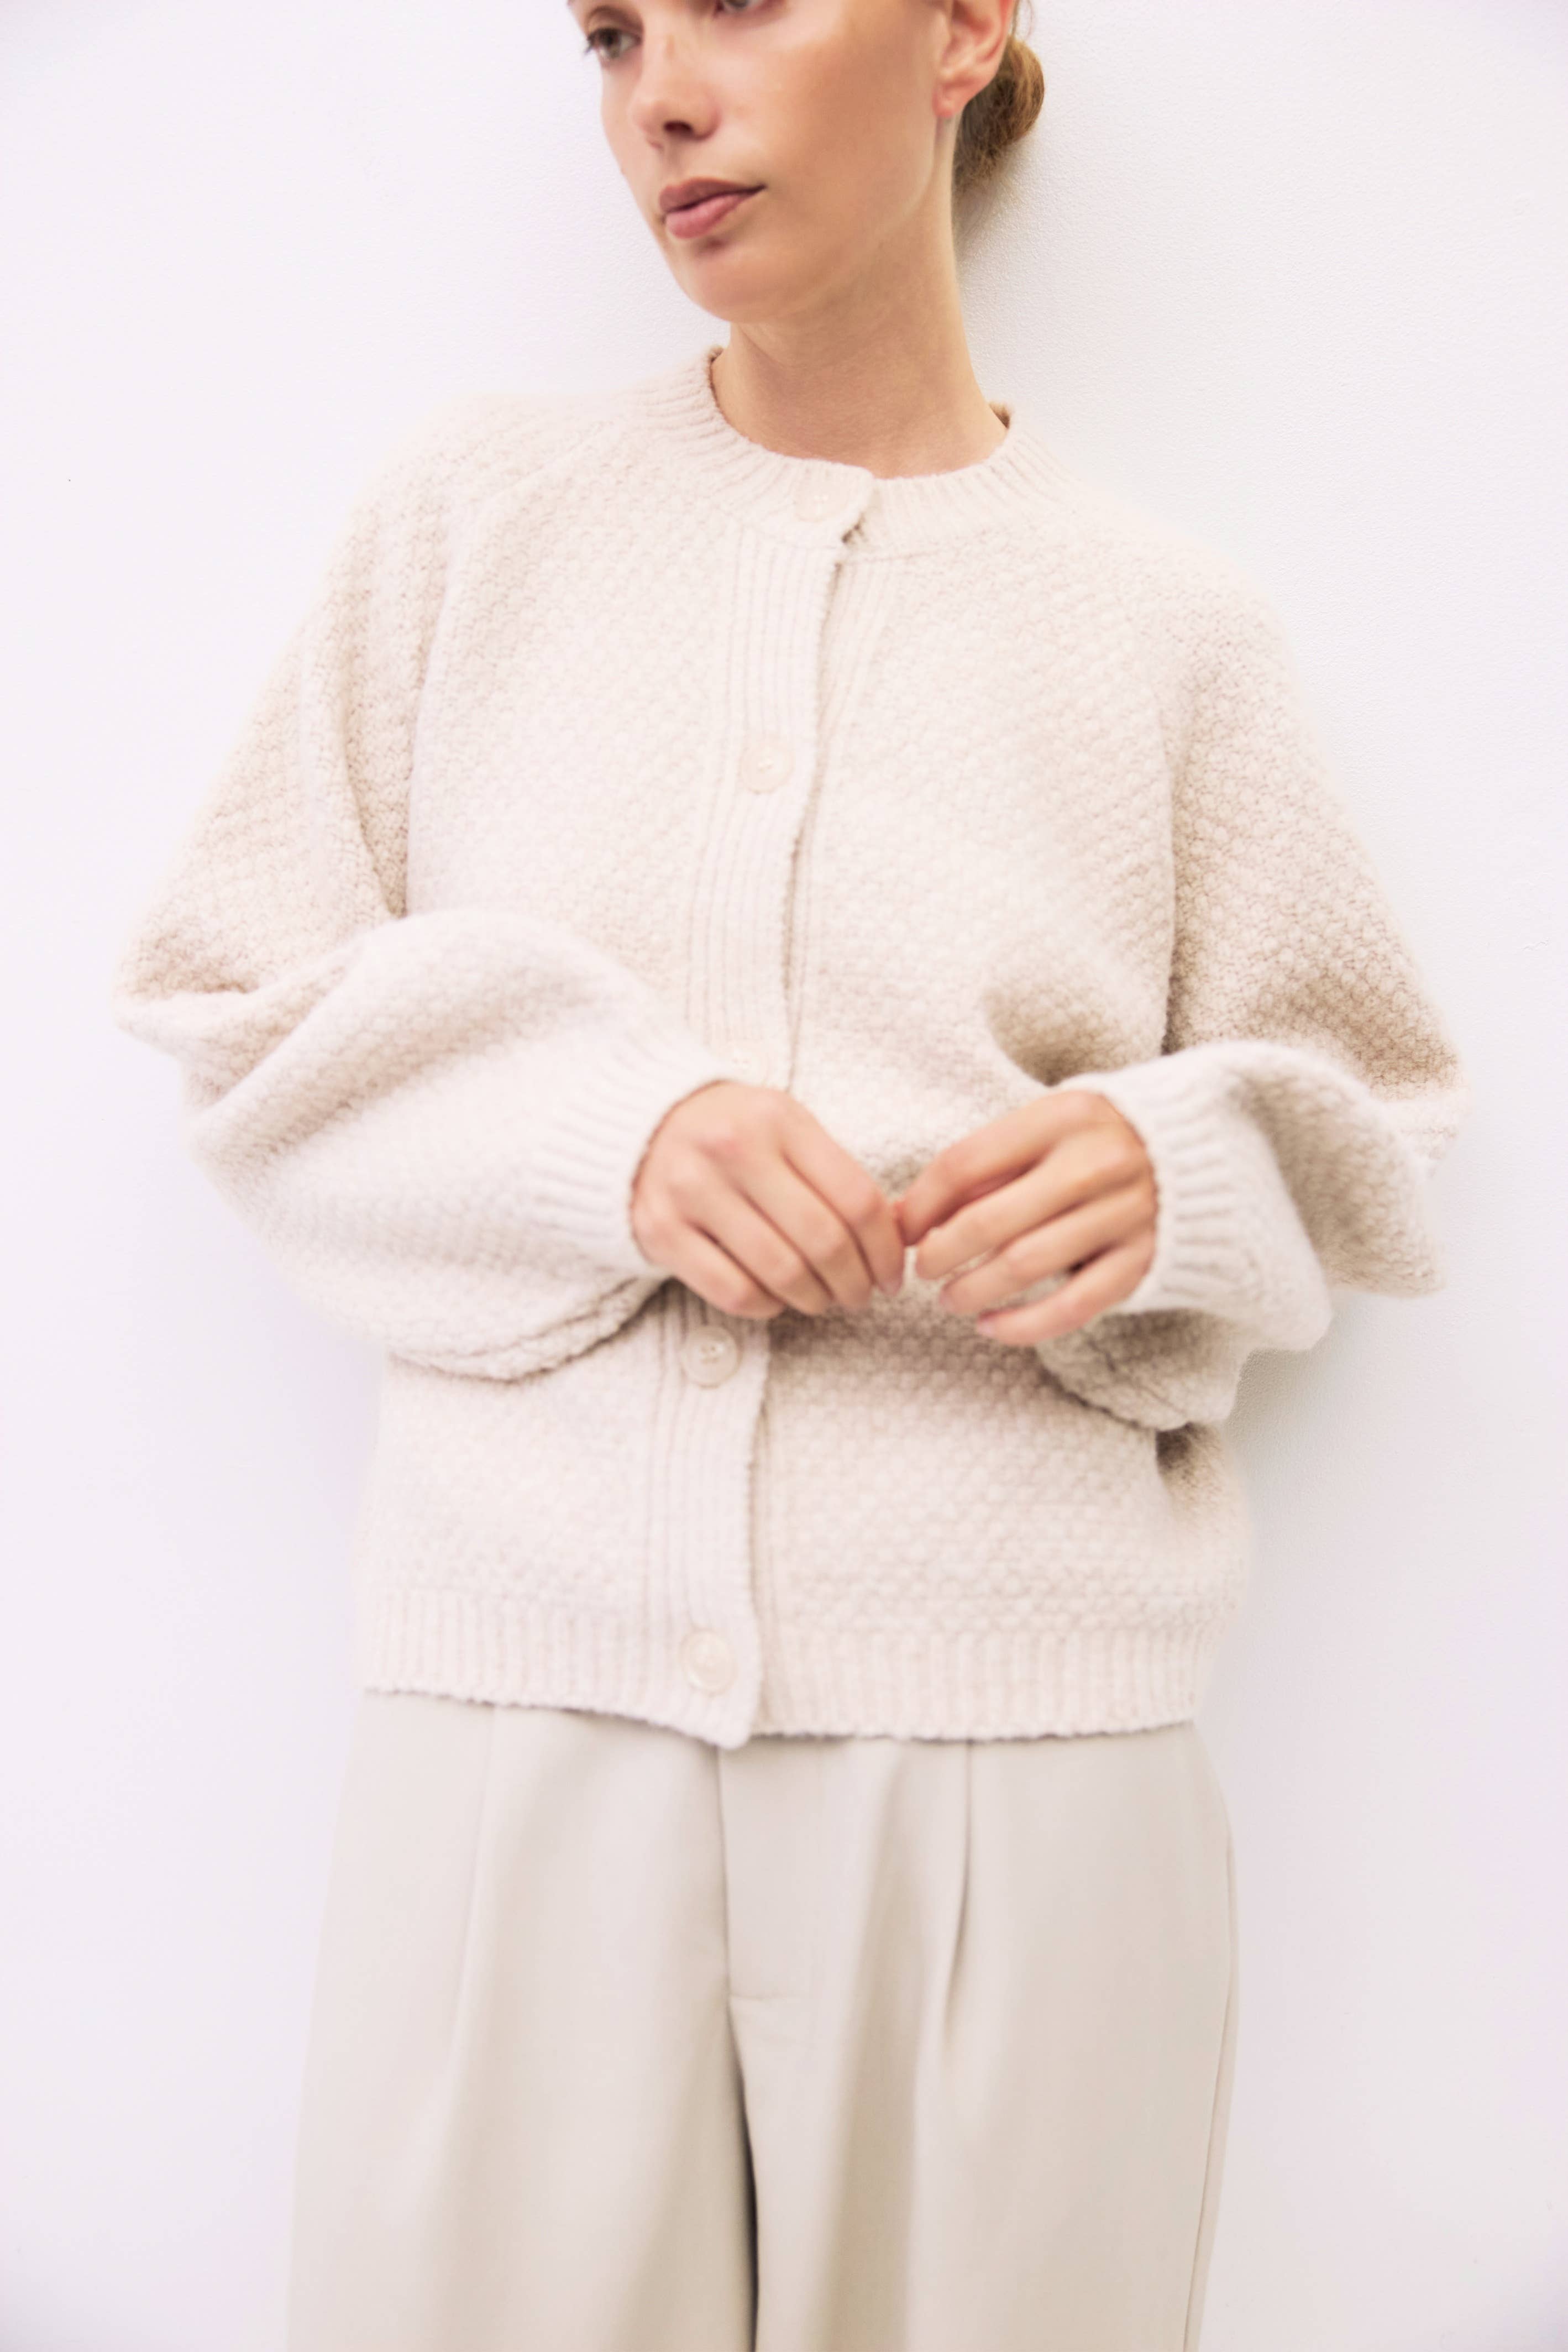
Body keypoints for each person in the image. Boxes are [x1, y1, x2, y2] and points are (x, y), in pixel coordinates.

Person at [111, 2, 1471, 2345]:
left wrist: (1175, 1174)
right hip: (522, 1746)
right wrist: (601, 1134)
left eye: (735, 1)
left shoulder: (1168, 635)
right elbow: (233, 1009)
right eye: (609, 32)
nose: (656, 91)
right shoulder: (472, 517)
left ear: (961, 30)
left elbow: (1376, 1127)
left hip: (1016, 1785)